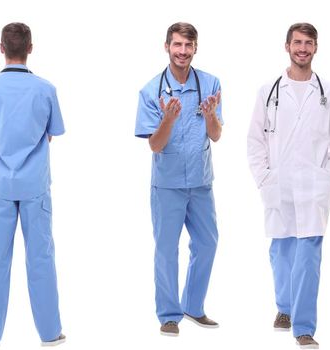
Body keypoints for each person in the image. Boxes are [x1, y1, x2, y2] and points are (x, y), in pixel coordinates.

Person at [247, 22, 330, 350]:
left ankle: (303, 327)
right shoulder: (268, 90)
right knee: (281, 253)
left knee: (308, 258)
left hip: (313, 188)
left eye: (308, 43)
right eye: (297, 42)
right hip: (278, 184)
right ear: (287, 46)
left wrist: (327, 179)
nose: (302, 48)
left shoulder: (329, 93)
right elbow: (254, 140)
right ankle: (284, 307)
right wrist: (264, 178)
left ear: (316, 47)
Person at [0, 22, 65, 347]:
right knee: (40, 257)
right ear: (30, 48)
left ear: (1, 48)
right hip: (34, 185)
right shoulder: (46, 89)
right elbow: (52, 133)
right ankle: (51, 333)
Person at [134, 22, 223, 337]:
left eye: (188, 45)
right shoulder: (151, 91)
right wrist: (168, 119)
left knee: (208, 243)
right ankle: (170, 314)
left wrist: (211, 115)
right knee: (167, 248)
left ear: (195, 48)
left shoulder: (210, 84)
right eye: (177, 45)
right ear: (167, 47)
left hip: (200, 181)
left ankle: (193, 306)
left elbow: (215, 135)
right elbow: (155, 145)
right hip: (168, 184)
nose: (182, 51)